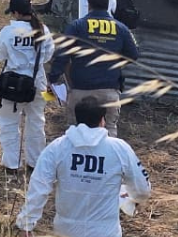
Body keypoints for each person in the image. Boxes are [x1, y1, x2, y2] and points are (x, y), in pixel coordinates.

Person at [16, 97, 151, 237]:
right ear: (102, 120)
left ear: (77, 118)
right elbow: (142, 188)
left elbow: (39, 186)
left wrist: (26, 223)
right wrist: (133, 199)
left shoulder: (57, 147)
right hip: (106, 231)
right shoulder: (119, 149)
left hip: (66, 230)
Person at [49, 0, 137, 137]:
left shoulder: (77, 26)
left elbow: (62, 54)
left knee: (75, 132)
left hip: (80, 89)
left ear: (89, 5)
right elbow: (133, 55)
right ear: (107, 5)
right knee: (109, 132)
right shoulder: (121, 28)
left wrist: (53, 78)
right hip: (109, 90)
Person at [0, 0, 54, 175]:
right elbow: (48, 56)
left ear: (16, 13)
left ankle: (12, 163)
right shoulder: (43, 30)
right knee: (36, 122)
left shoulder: (8, 32)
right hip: (37, 83)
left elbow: (0, 56)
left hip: (11, 83)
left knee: (8, 123)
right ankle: (34, 162)